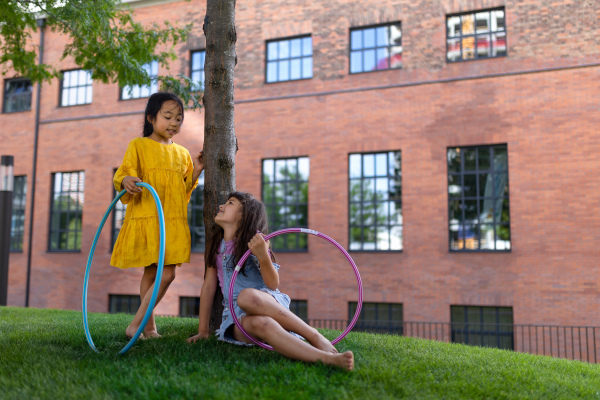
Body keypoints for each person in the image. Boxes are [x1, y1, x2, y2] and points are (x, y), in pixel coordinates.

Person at [187, 191, 354, 370]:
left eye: (230, 203)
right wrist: (203, 330)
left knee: (247, 297)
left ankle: (314, 335)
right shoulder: (216, 247)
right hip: (236, 319)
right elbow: (208, 287)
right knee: (261, 323)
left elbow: (273, 284)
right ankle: (326, 359)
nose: (221, 205)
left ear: (245, 215)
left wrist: (262, 256)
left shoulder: (256, 243)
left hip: (266, 303)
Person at [112, 92, 203, 338]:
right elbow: (124, 174)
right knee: (152, 273)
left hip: (171, 220)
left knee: (168, 273)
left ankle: (136, 325)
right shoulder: (138, 145)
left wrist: (197, 169)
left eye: (179, 119)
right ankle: (148, 327)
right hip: (148, 216)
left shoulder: (182, 154)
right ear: (151, 118)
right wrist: (126, 180)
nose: (174, 122)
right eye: (168, 116)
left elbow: (183, 191)